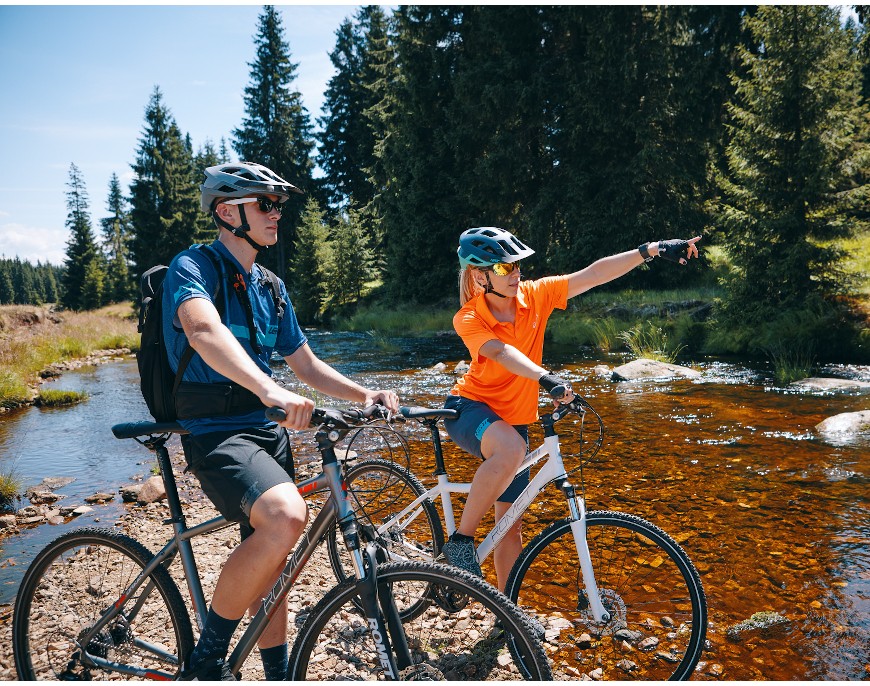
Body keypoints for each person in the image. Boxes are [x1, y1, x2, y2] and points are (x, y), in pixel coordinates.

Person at [165, 161, 399, 680]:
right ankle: (207, 660)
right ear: (228, 212)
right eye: (265, 204)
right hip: (216, 432)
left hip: (266, 431)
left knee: (274, 565)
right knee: (287, 518)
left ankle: (276, 673)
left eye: (278, 205)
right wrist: (268, 389)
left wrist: (368, 393)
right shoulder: (193, 267)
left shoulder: (270, 286)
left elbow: (307, 364)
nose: (277, 214)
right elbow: (203, 330)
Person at [440, 227, 701, 592]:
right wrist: (545, 377)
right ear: (479, 276)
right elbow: (500, 352)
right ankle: (460, 542)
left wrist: (652, 250)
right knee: (512, 449)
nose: (514, 274)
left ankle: (507, 610)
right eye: (503, 269)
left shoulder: (536, 295)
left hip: (515, 419)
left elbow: (593, 274)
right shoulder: (469, 317)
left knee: (510, 523)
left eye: (516, 266)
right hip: (469, 409)